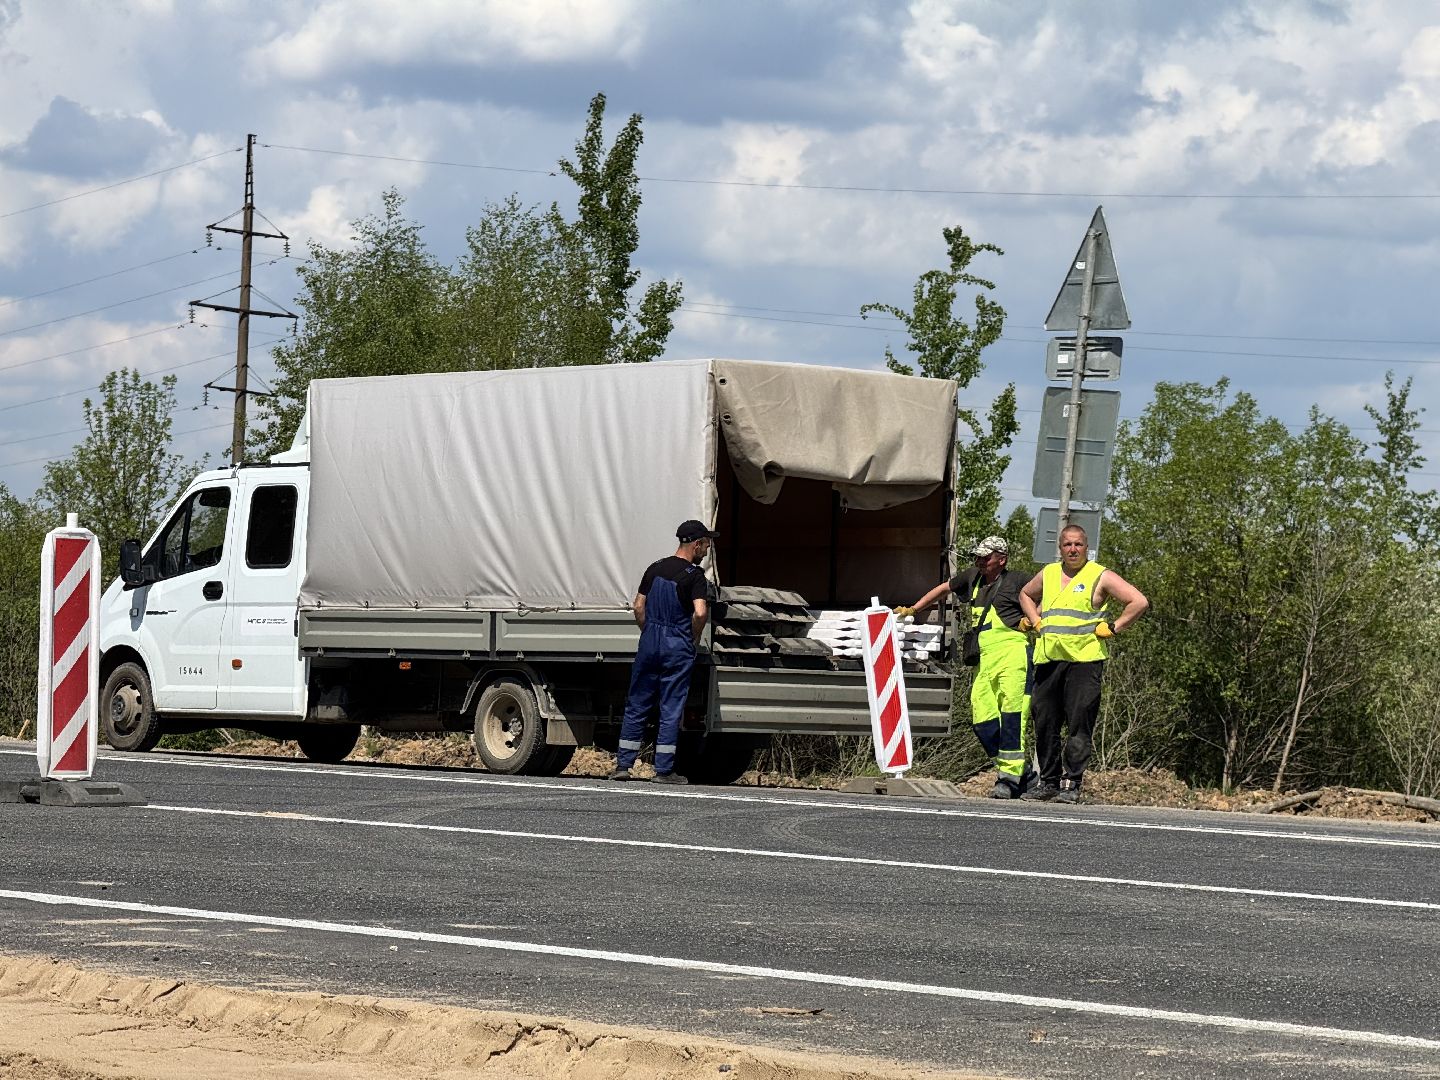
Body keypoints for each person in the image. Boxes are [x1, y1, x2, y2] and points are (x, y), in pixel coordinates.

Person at [1018, 524, 1148, 804]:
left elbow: (1138, 601)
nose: (1073, 549)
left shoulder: (1099, 575)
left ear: (1086, 547)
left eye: (1078, 544)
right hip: (1049, 659)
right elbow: (1026, 595)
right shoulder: (1050, 573)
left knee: (1079, 724)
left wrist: (1114, 627)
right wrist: (1035, 619)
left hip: (1084, 662)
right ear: (1060, 548)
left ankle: (1071, 783)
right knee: (1045, 723)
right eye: (1067, 545)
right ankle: (1049, 782)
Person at [897, 535, 1034, 799]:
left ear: (1001, 559)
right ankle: (1025, 774)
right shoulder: (973, 577)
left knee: (1012, 717)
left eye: (986, 557)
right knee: (982, 720)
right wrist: (914, 609)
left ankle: (1009, 779)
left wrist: (1033, 619)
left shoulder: (1018, 580)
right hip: (984, 659)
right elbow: (943, 588)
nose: (979, 561)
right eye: (978, 557)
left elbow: (1042, 597)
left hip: (1013, 654)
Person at [609, 519, 716, 785]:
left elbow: (638, 607)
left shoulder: (654, 568)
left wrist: (648, 632)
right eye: (706, 544)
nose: (706, 549)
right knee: (670, 708)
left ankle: (623, 766)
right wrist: (692, 636)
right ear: (696, 544)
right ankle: (664, 771)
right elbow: (700, 612)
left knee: (637, 703)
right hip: (676, 644)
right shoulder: (695, 576)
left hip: (650, 642)